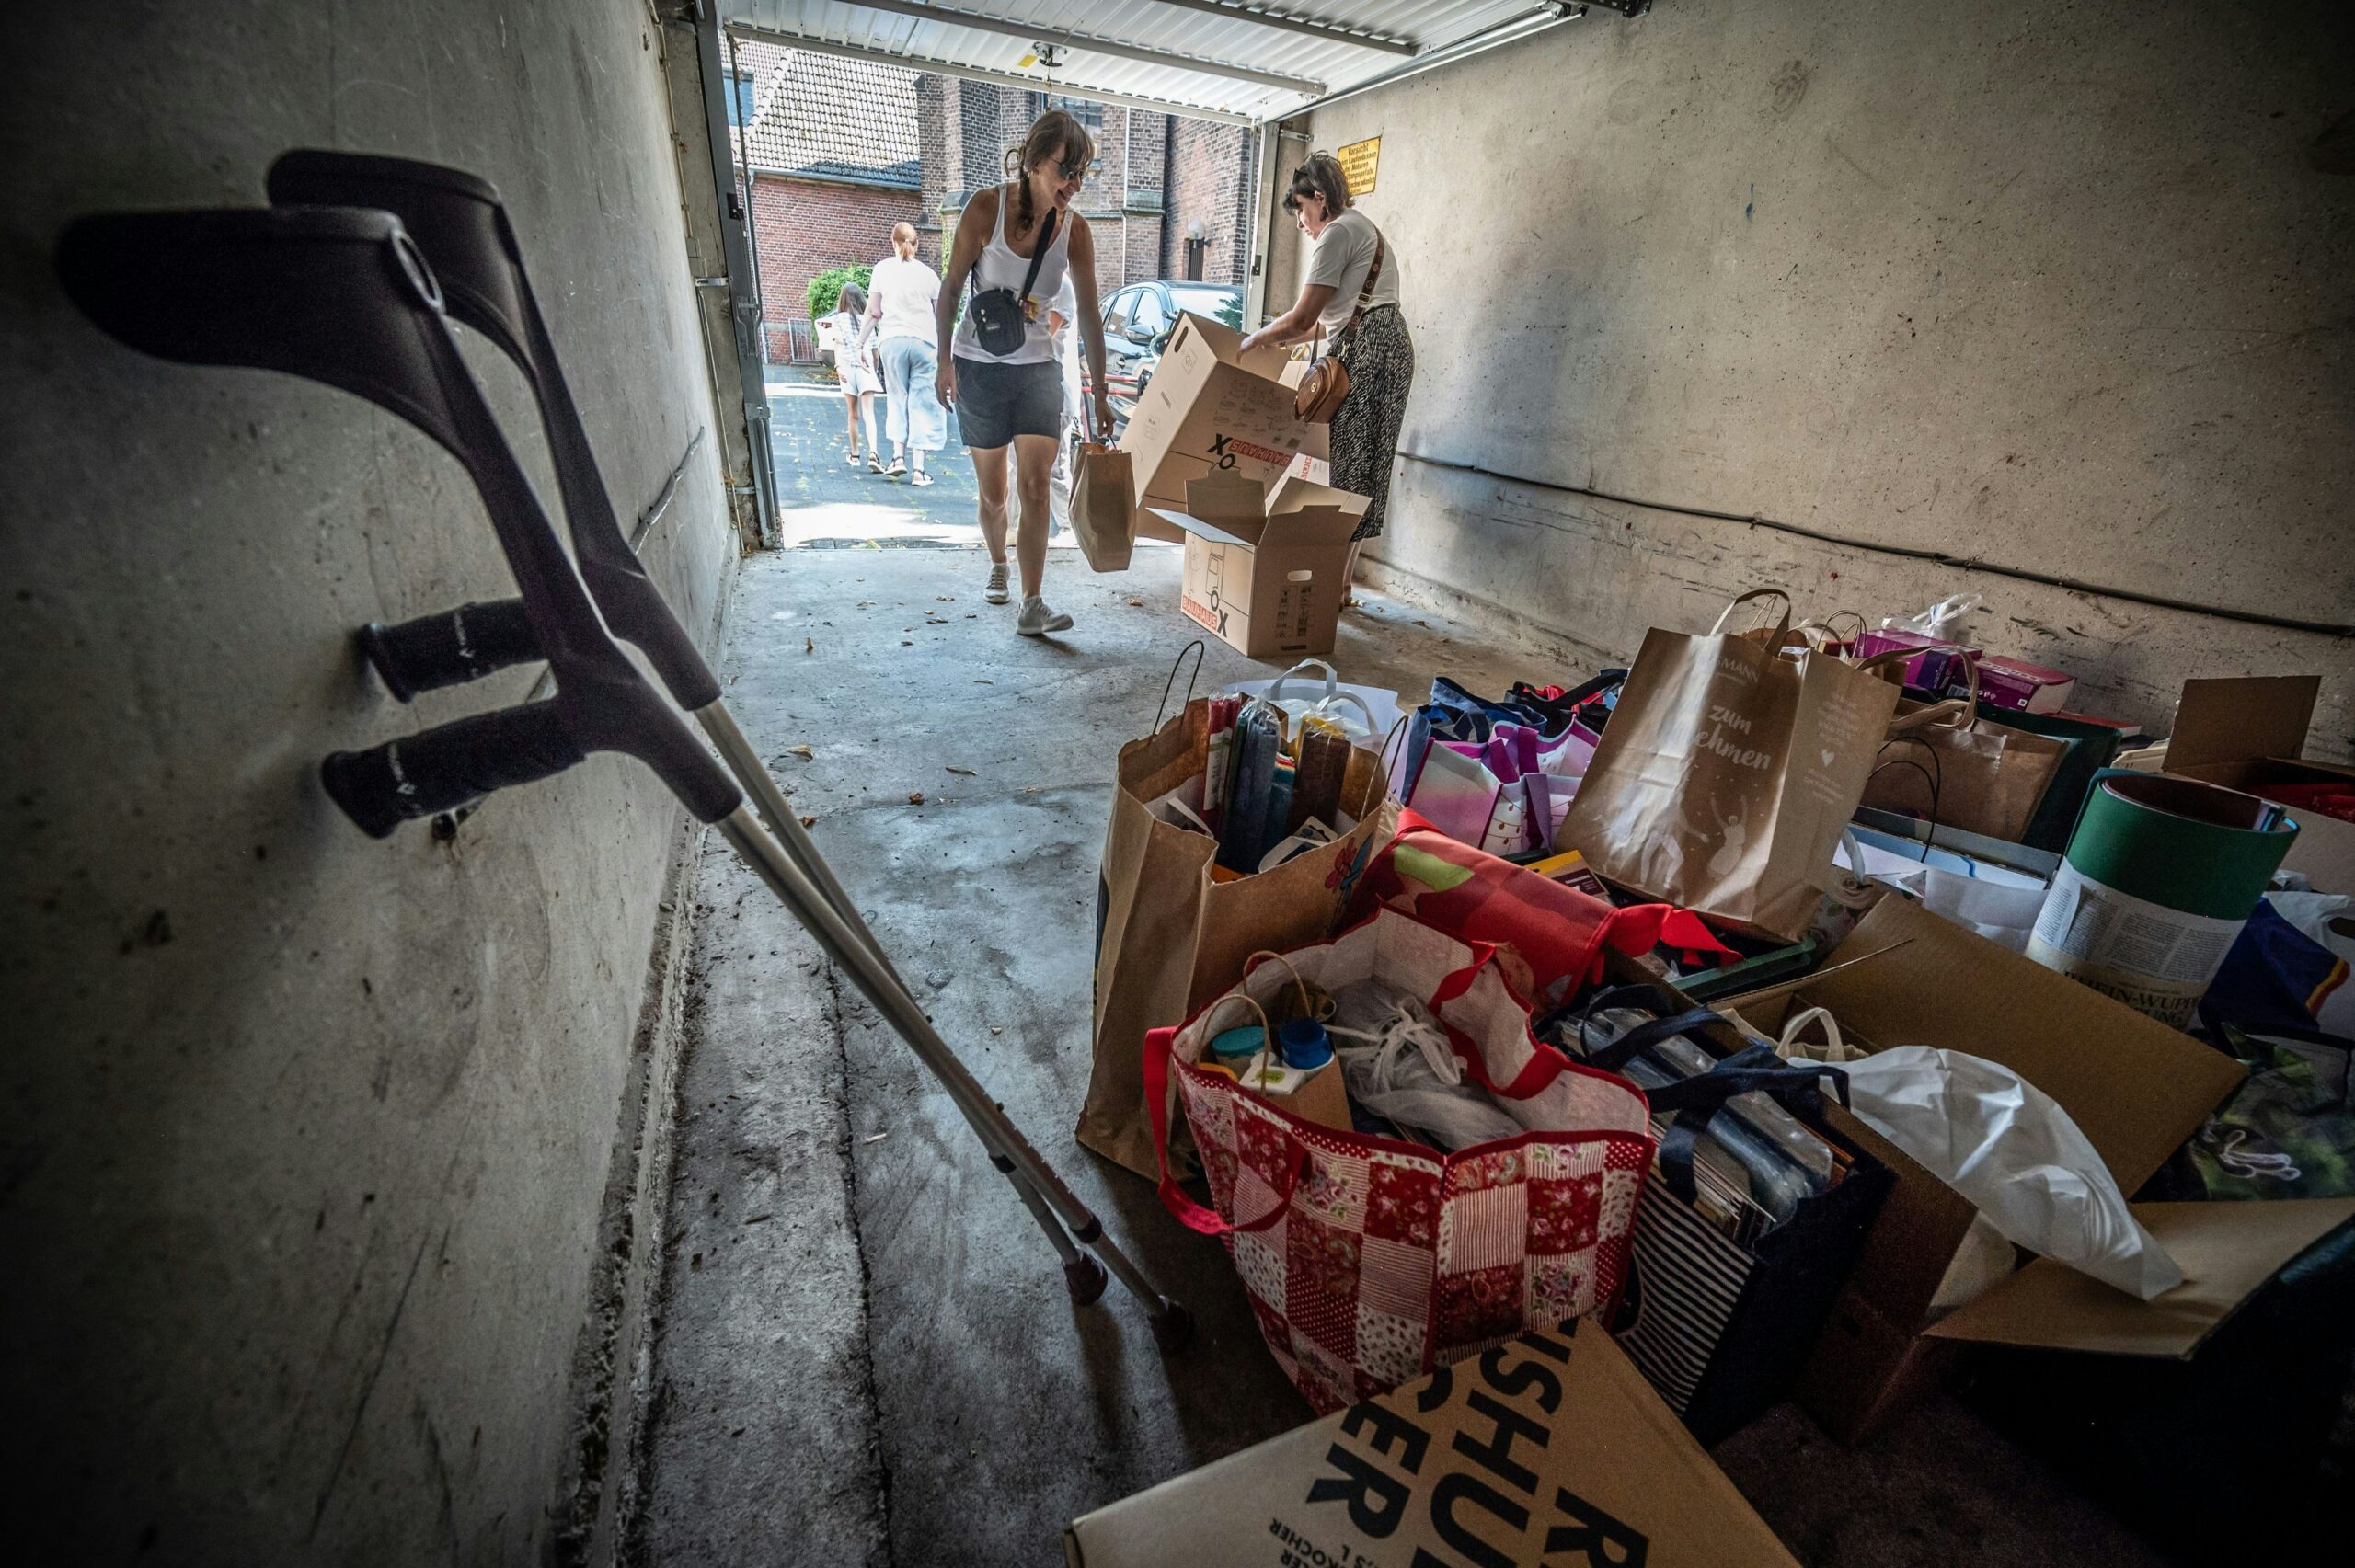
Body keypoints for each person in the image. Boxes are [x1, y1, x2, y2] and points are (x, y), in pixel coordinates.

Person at [936, 109, 1115, 637]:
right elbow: (950, 289)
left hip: (1038, 367)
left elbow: (1088, 315)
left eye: (1082, 174)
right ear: (1035, 160)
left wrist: (1098, 392)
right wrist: (944, 360)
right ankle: (998, 562)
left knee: (1035, 487)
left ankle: (1032, 603)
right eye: (1066, 170)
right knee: (995, 492)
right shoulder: (985, 209)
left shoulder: (1075, 232)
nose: (1074, 184)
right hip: (980, 366)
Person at [1239, 152, 1413, 594]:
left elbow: (1301, 318)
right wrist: (1283, 340)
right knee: (1367, 471)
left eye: (1301, 208)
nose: (1300, 221)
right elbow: (1324, 322)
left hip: (1369, 352)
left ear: (1320, 198)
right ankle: (1341, 587)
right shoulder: (1364, 228)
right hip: (1390, 345)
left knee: (1350, 472)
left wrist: (1257, 338)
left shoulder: (1336, 233)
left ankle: (1332, 591)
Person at [858, 223, 945, 486]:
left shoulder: (882, 269)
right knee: (922, 401)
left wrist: (861, 344)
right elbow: (941, 317)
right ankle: (919, 470)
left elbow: (874, 311)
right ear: (916, 244)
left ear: (892, 242)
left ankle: (897, 459)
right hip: (924, 341)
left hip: (892, 340)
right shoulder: (929, 275)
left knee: (898, 398)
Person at [825, 281, 882, 472]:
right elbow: (875, 352)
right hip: (866, 367)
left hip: (848, 366)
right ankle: (873, 453)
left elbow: (838, 344)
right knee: (869, 414)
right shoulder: (868, 320)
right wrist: (874, 368)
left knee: (853, 414)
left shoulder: (838, 319)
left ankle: (855, 454)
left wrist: (838, 367)